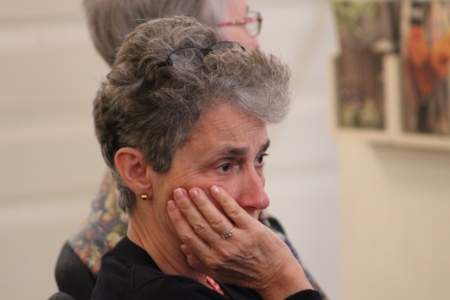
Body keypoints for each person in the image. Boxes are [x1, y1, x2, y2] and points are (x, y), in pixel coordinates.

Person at [55, 1, 328, 299]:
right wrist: (281, 278)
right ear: (137, 171)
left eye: (260, 159)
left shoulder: (229, 265)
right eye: (225, 165)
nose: (260, 197)